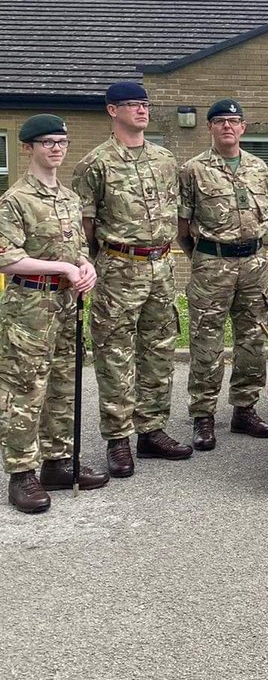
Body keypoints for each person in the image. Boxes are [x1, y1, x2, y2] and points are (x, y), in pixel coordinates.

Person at [73, 81, 192, 478]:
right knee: (115, 354)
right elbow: (85, 226)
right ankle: (118, 438)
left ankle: (151, 430)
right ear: (112, 110)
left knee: (159, 350)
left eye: (144, 104)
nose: (142, 110)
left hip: (161, 266)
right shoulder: (95, 164)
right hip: (119, 267)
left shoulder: (164, 159)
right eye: (132, 105)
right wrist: (96, 264)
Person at [0, 115, 108, 514]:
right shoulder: (15, 200)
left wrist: (85, 265)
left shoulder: (69, 197)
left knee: (64, 383)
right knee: (25, 388)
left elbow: (76, 247)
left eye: (61, 142)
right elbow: (6, 259)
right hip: (29, 306)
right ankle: (21, 473)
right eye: (47, 142)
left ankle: (58, 462)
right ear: (28, 147)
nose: (56, 148)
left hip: (65, 303)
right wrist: (62, 268)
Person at [177, 98, 268, 451]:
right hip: (211, 263)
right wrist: (205, 256)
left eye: (234, 121)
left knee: (253, 338)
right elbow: (183, 227)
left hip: (254, 263)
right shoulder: (192, 170)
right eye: (220, 121)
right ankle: (203, 415)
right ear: (210, 127)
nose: (227, 127)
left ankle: (244, 409)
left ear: (243, 127)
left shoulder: (259, 168)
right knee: (206, 341)